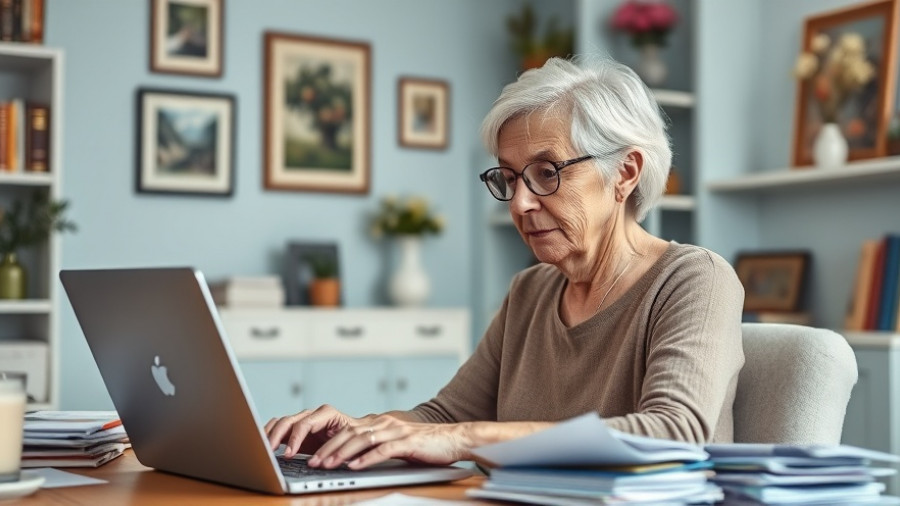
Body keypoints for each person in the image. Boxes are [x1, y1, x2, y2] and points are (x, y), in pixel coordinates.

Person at [265, 56, 745, 471]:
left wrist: (465, 440)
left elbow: (675, 433)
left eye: (545, 173)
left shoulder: (695, 280)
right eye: (509, 178)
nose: (518, 204)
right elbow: (444, 418)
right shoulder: (530, 292)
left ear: (624, 173)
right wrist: (359, 431)